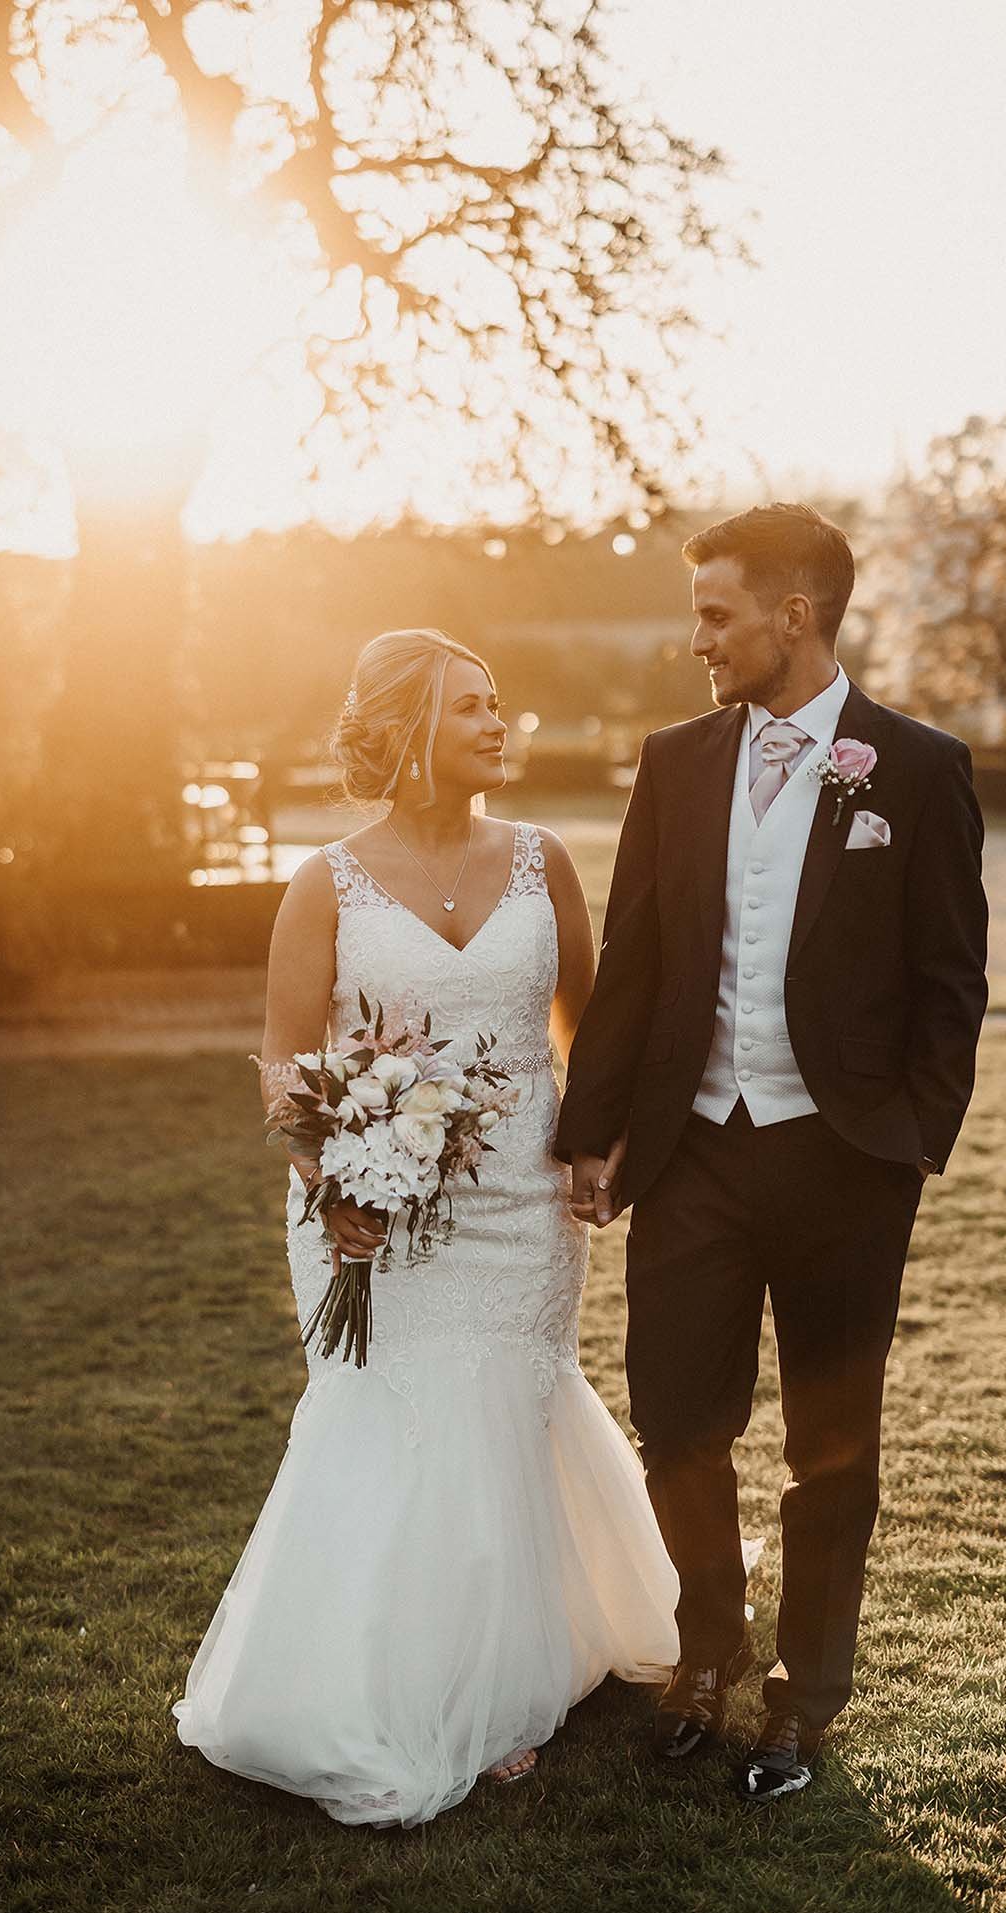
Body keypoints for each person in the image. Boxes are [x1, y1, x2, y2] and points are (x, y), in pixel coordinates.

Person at [172, 629, 678, 1828]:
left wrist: (598, 1147)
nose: (502, 727)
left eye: (501, 706)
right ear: (408, 734)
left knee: (504, 1406)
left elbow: (587, 1033)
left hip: (519, 1202)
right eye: (472, 710)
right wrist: (336, 1171)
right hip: (366, 1208)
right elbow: (285, 1069)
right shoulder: (325, 883)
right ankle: (403, 1681)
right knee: (395, 1415)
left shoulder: (542, 860)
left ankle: (504, 1674)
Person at [557, 504, 989, 1803]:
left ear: (793, 615)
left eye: (715, 613)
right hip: (694, 1153)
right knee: (678, 1423)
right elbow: (633, 958)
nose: (697, 640)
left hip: (846, 1164)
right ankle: (707, 1648)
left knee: (830, 1443)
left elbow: (950, 978)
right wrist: (595, 1131)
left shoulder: (912, 768)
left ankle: (806, 1695)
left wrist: (909, 1141)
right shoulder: (677, 760)